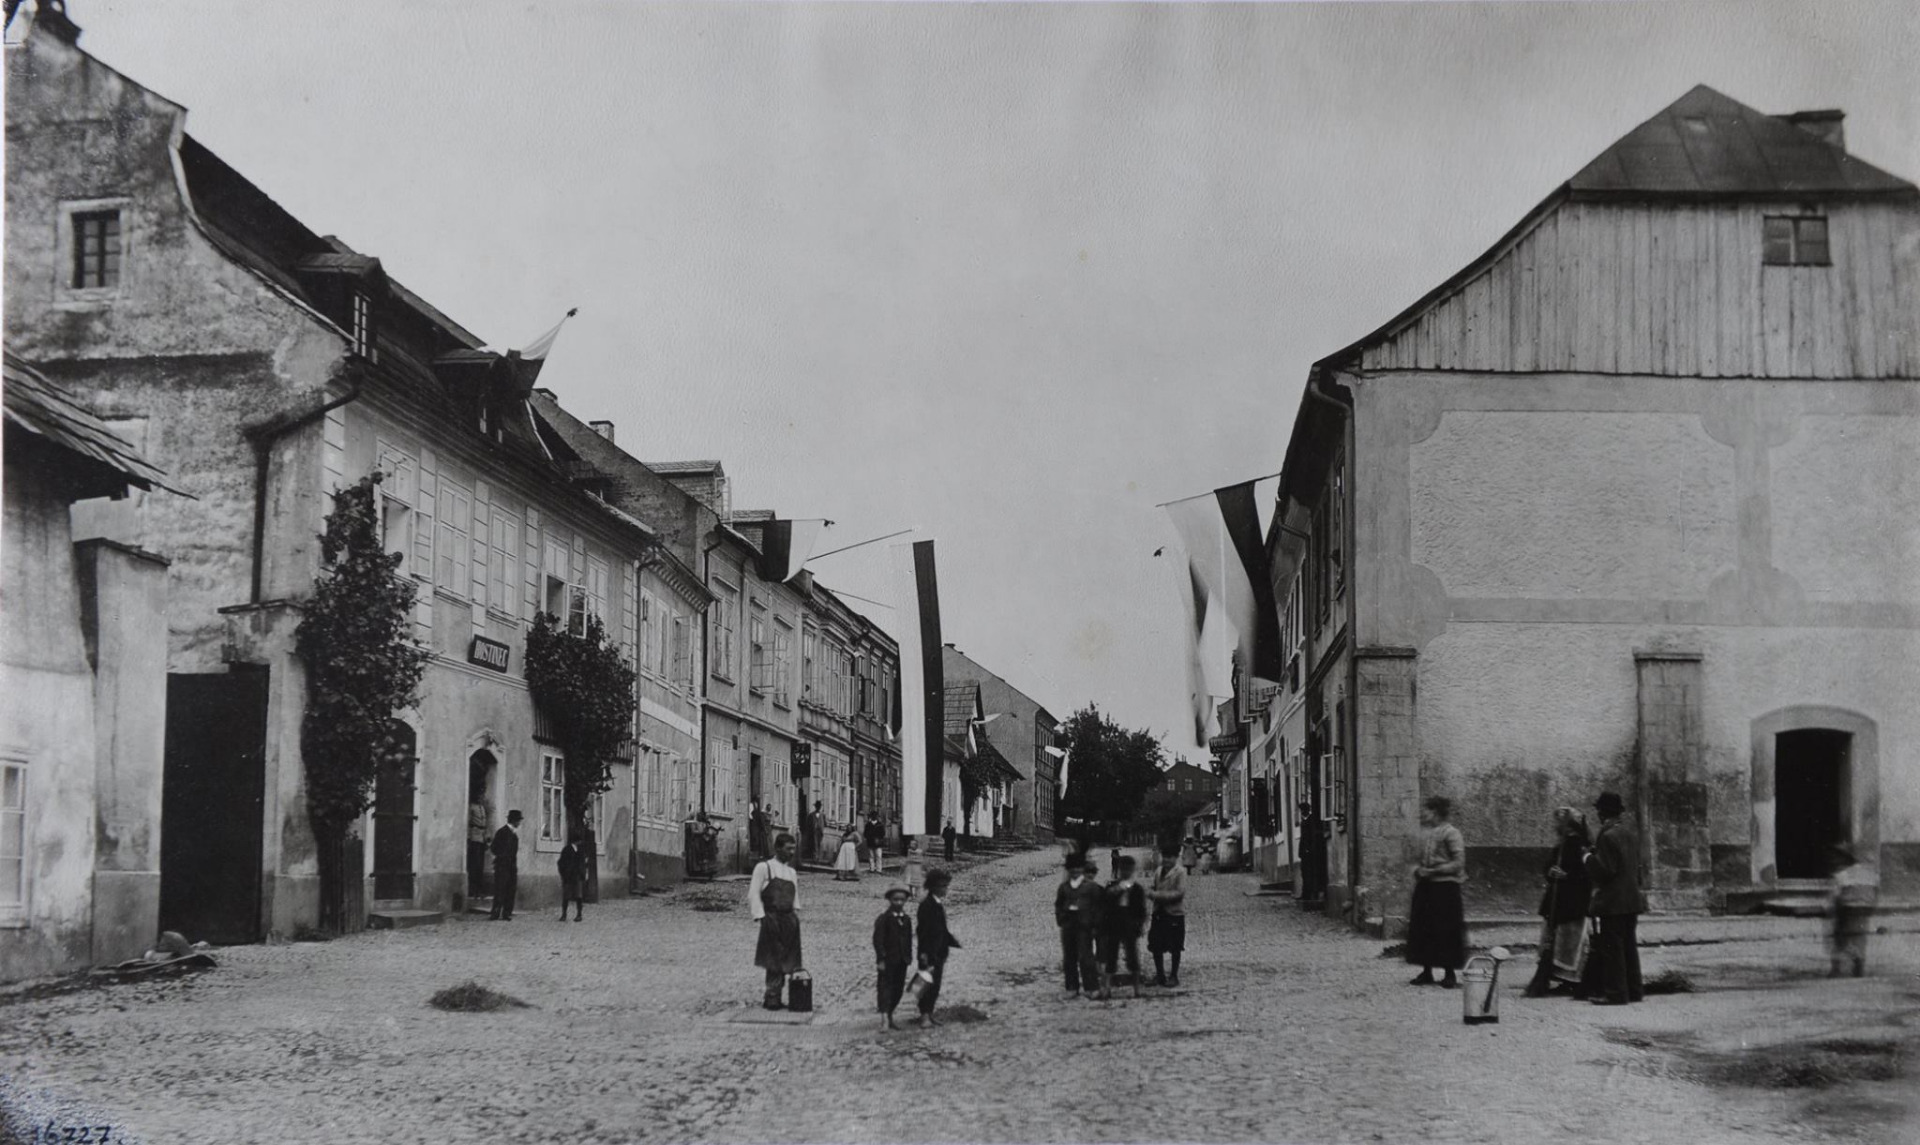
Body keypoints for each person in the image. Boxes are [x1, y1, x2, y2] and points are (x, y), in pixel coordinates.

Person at [1583, 791, 1643, 1005]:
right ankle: (1634, 990)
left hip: (1613, 902)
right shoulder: (1629, 833)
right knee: (1629, 946)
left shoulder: (1608, 836)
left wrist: (1588, 858)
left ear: (1602, 813)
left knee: (1613, 949)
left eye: (1599, 811)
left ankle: (1616, 993)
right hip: (1631, 900)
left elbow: (1605, 871)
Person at [1525, 807, 1593, 997]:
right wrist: (1551, 872)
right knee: (1555, 941)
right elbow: (1549, 866)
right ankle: (1559, 977)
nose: (1555, 826)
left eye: (1559, 822)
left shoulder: (1581, 846)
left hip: (1573, 902)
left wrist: (1567, 875)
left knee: (1570, 943)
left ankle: (1571, 980)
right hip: (1557, 900)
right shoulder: (1560, 845)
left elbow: (1587, 875)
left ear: (1569, 826)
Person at [1406, 796, 1466, 988]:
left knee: (1445, 929)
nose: (1424, 814)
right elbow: (1421, 860)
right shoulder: (1429, 834)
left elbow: (1458, 864)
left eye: (1428, 810)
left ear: (1437, 812)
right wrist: (1418, 871)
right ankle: (1427, 971)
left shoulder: (1452, 833)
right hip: (1427, 887)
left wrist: (1433, 871)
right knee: (1423, 928)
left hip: (1445, 888)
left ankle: (1449, 974)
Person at [749, 833, 803, 1010]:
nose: (792, 853)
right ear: (778, 848)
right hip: (772, 917)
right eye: (788, 849)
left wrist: (795, 916)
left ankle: (786, 995)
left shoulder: (791, 872)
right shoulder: (764, 868)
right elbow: (754, 893)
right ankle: (772, 996)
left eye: (794, 849)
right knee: (773, 958)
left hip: (789, 919)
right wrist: (761, 916)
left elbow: (794, 897)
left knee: (789, 959)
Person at [915, 868, 962, 1027]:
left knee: (935, 985)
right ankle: (924, 1015)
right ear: (933, 886)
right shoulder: (927, 906)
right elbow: (923, 932)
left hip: (939, 952)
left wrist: (950, 940)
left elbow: (942, 928)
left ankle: (930, 1012)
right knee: (926, 984)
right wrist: (924, 954)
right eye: (943, 886)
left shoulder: (937, 904)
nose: (946, 889)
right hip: (928, 953)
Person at [1098, 855, 1147, 999]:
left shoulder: (1137, 889)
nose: (1125, 872)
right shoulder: (1112, 887)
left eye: (1129, 869)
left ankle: (1137, 989)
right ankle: (1107, 988)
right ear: (1119, 870)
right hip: (1114, 924)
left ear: (1132, 870)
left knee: (1132, 957)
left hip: (1129, 925)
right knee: (1111, 956)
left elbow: (1141, 910)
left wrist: (1139, 924)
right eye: (1123, 869)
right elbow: (1105, 905)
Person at [1055, 854, 1103, 999]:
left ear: (1082, 869)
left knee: (1086, 956)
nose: (1075, 871)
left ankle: (1091, 987)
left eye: (1078, 868)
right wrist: (1062, 919)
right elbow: (1058, 905)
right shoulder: (1064, 887)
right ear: (1068, 870)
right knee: (1069, 957)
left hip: (1084, 925)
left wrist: (1095, 925)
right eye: (1072, 868)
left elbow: (1098, 908)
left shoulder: (1091, 887)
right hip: (1068, 925)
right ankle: (1072, 987)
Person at [1828, 844, 1879, 978]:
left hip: (1848, 909)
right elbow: (1875, 894)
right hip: (1865, 909)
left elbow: (1835, 896)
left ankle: (1837, 969)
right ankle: (1859, 966)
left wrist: (1831, 912)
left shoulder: (1841, 875)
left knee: (1839, 937)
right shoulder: (1871, 875)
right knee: (1860, 938)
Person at [1146, 839, 1188, 987]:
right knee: (1156, 944)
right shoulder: (1158, 871)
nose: (1167, 860)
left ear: (1176, 858)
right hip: (1159, 913)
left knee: (1175, 946)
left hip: (1174, 913)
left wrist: (1157, 895)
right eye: (1164, 857)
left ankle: (1174, 975)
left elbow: (1179, 893)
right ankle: (1160, 975)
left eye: (1170, 857)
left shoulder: (1180, 872)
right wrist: (1150, 892)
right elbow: (1152, 886)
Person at [873, 884, 914, 1030]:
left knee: (898, 989)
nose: (899, 903)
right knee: (885, 988)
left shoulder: (907, 920)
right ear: (890, 900)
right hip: (888, 960)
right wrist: (881, 959)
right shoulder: (884, 919)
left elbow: (909, 939)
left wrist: (908, 956)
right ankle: (884, 1017)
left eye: (902, 900)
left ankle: (890, 1014)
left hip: (902, 960)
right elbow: (878, 940)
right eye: (895, 900)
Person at [488, 810, 523, 921]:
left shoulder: (514, 835)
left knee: (511, 889)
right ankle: (495, 912)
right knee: (500, 889)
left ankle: (507, 913)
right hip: (502, 866)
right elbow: (494, 848)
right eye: (518, 820)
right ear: (513, 820)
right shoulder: (502, 832)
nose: (520, 823)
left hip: (512, 866)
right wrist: (502, 856)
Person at [557, 831, 587, 922]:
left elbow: (583, 864)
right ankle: (564, 914)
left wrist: (583, 874)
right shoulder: (566, 850)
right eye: (579, 841)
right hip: (568, 877)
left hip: (577, 876)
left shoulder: (580, 850)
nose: (580, 843)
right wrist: (564, 874)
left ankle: (579, 914)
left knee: (579, 896)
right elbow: (560, 863)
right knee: (566, 896)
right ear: (576, 841)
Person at [467, 790, 490, 898]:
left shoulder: (482, 808)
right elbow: (468, 822)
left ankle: (479, 890)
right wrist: (468, 837)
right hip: (474, 836)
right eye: (480, 795)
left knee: (480, 865)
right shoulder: (471, 807)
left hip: (481, 837)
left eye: (482, 795)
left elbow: (484, 824)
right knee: (474, 864)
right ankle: (472, 890)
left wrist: (486, 838)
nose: (482, 797)